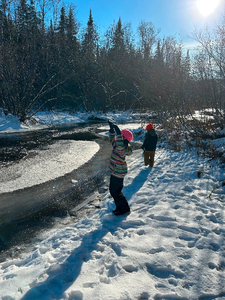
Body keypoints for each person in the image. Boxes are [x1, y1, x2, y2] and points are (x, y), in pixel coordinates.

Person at [108, 119, 133, 216]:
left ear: (124, 139)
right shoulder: (118, 146)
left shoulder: (122, 149)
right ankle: (120, 207)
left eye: (121, 137)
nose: (119, 138)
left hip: (118, 174)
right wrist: (111, 130)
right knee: (114, 191)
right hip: (115, 172)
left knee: (115, 192)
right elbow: (112, 140)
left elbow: (119, 145)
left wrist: (118, 131)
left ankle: (124, 209)